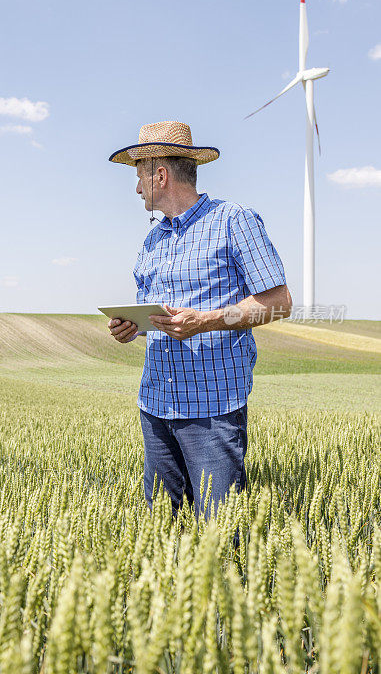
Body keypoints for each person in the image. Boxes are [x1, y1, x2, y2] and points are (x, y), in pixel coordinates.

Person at [107, 120, 292, 520]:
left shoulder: (233, 220)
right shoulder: (152, 241)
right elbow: (157, 320)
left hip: (212, 410)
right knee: (162, 531)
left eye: (140, 176)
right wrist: (131, 329)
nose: (137, 188)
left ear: (160, 175)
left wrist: (205, 320)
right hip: (155, 406)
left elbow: (279, 302)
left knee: (220, 536)